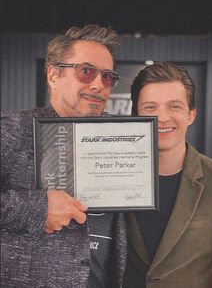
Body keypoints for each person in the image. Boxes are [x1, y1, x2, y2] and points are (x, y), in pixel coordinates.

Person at [1, 24, 127, 288]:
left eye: (107, 77)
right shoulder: (11, 130)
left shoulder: (122, 137)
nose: (97, 84)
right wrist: (39, 208)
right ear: (53, 75)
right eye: (85, 71)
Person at [123, 62, 212, 288]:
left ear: (191, 114)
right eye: (150, 107)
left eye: (174, 106)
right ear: (135, 114)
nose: (162, 117)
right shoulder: (112, 177)